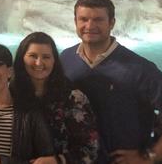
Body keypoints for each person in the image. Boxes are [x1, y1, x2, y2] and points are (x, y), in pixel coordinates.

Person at [61, 0, 162, 163]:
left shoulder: (139, 69)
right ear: (75, 22)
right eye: (83, 19)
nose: (89, 25)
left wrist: (150, 157)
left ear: (112, 23)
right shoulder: (65, 59)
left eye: (98, 19)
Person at [12, 31, 99, 163]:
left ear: (54, 61)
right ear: (22, 58)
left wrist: (58, 161)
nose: (39, 63)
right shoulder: (10, 94)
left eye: (46, 57)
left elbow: (90, 149)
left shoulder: (73, 98)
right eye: (33, 56)